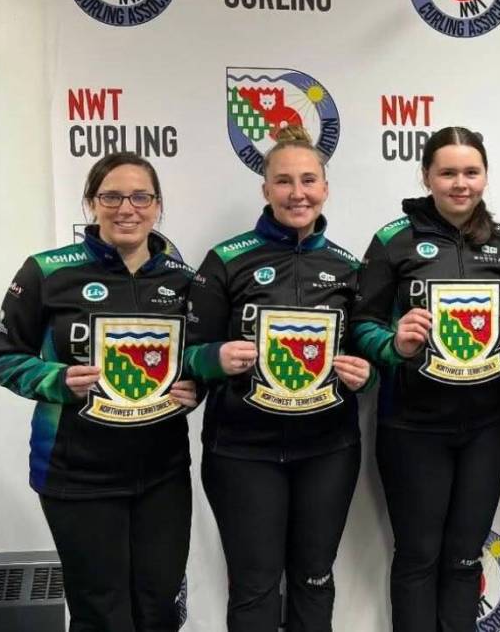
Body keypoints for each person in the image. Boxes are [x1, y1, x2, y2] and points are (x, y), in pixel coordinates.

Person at [0, 152, 197, 632]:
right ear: (91, 202)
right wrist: (54, 380)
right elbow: (1, 354)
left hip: (162, 475)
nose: (127, 208)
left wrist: (197, 386)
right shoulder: (47, 271)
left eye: (140, 196)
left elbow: (197, 360)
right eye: (111, 196)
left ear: (158, 205)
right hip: (75, 473)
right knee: (101, 614)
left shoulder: (184, 281)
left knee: (159, 610)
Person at [184, 126, 371, 632]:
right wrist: (213, 358)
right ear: (265, 189)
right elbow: (184, 354)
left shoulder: (350, 268)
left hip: (328, 450)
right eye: (283, 181)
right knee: (254, 587)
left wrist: (364, 372)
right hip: (243, 451)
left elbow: (370, 349)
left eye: (308, 180)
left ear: (326, 187)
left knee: (314, 578)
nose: (297, 192)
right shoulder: (226, 260)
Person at [351, 126, 500, 632]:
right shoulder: (393, 240)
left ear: (485, 177)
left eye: (471, 172)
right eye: (447, 172)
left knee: (464, 558)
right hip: (411, 426)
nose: (460, 183)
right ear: (426, 175)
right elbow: (360, 326)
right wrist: (394, 342)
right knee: (417, 556)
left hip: (484, 426)